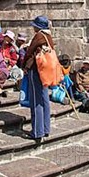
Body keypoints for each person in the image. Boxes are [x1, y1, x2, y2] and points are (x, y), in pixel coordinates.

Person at [23, 15, 54, 143]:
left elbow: (29, 52)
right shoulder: (49, 37)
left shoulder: (39, 36)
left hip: (36, 70)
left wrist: (24, 65)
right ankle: (46, 129)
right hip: (45, 71)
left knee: (36, 100)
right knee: (44, 98)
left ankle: (37, 131)